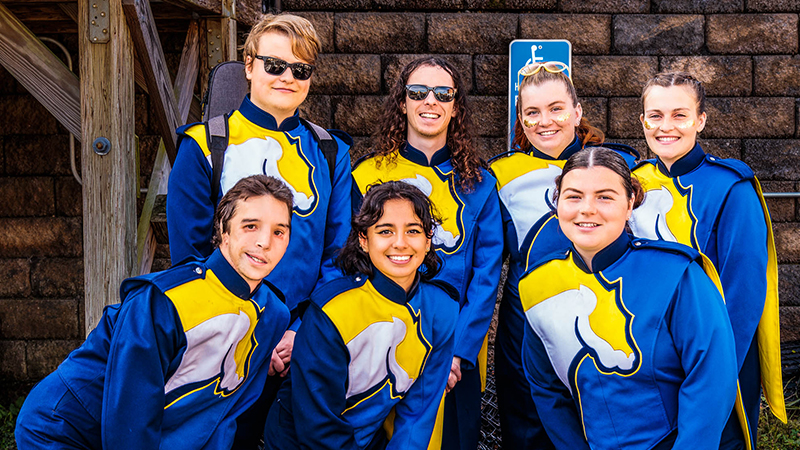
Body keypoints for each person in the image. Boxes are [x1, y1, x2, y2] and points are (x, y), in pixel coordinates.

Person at [166, 13, 353, 445]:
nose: (287, 77)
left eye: (300, 69)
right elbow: (191, 258)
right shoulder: (203, 145)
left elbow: (339, 253)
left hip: (305, 339)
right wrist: (255, 330)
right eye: (274, 65)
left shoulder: (330, 151)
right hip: (225, 340)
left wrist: (299, 330)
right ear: (249, 65)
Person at [15, 175, 293, 450]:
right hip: (67, 427)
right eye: (250, 226)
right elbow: (130, 416)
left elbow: (225, 413)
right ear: (223, 229)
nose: (265, 242)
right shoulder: (163, 300)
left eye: (279, 231)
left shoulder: (274, 314)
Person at [520, 147, 738, 449]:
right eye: (573, 196)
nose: (587, 209)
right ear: (557, 203)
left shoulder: (676, 272)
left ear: (630, 203)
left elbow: (711, 376)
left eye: (604, 196)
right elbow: (546, 388)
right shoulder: (538, 285)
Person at [351, 57, 503, 450]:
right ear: (402, 103)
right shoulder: (366, 175)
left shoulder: (481, 184)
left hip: (454, 349)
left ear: (456, 106)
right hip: (380, 340)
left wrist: (458, 353)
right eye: (418, 92)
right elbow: (350, 260)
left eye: (443, 93)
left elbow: (486, 276)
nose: (429, 102)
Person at [629, 71, 785, 449]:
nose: (666, 127)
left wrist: (710, 370)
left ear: (701, 120)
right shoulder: (628, 182)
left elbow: (744, 294)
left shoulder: (731, 185)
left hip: (715, 354)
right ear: (643, 121)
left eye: (680, 115)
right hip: (644, 356)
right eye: (655, 115)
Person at [487, 61, 639, 449]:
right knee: (528, 432)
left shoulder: (619, 165)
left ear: (577, 112)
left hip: (606, 314)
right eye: (532, 112)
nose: (545, 121)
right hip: (527, 324)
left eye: (556, 108)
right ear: (520, 118)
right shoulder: (500, 175)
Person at [264, 181, 459, 449]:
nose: (400, 243)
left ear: (428, 241)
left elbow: (419, 412)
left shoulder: (443, 310)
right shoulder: (331, 310)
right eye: (385, 231)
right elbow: (318, 423)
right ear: (364, 240)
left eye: (413, 231)